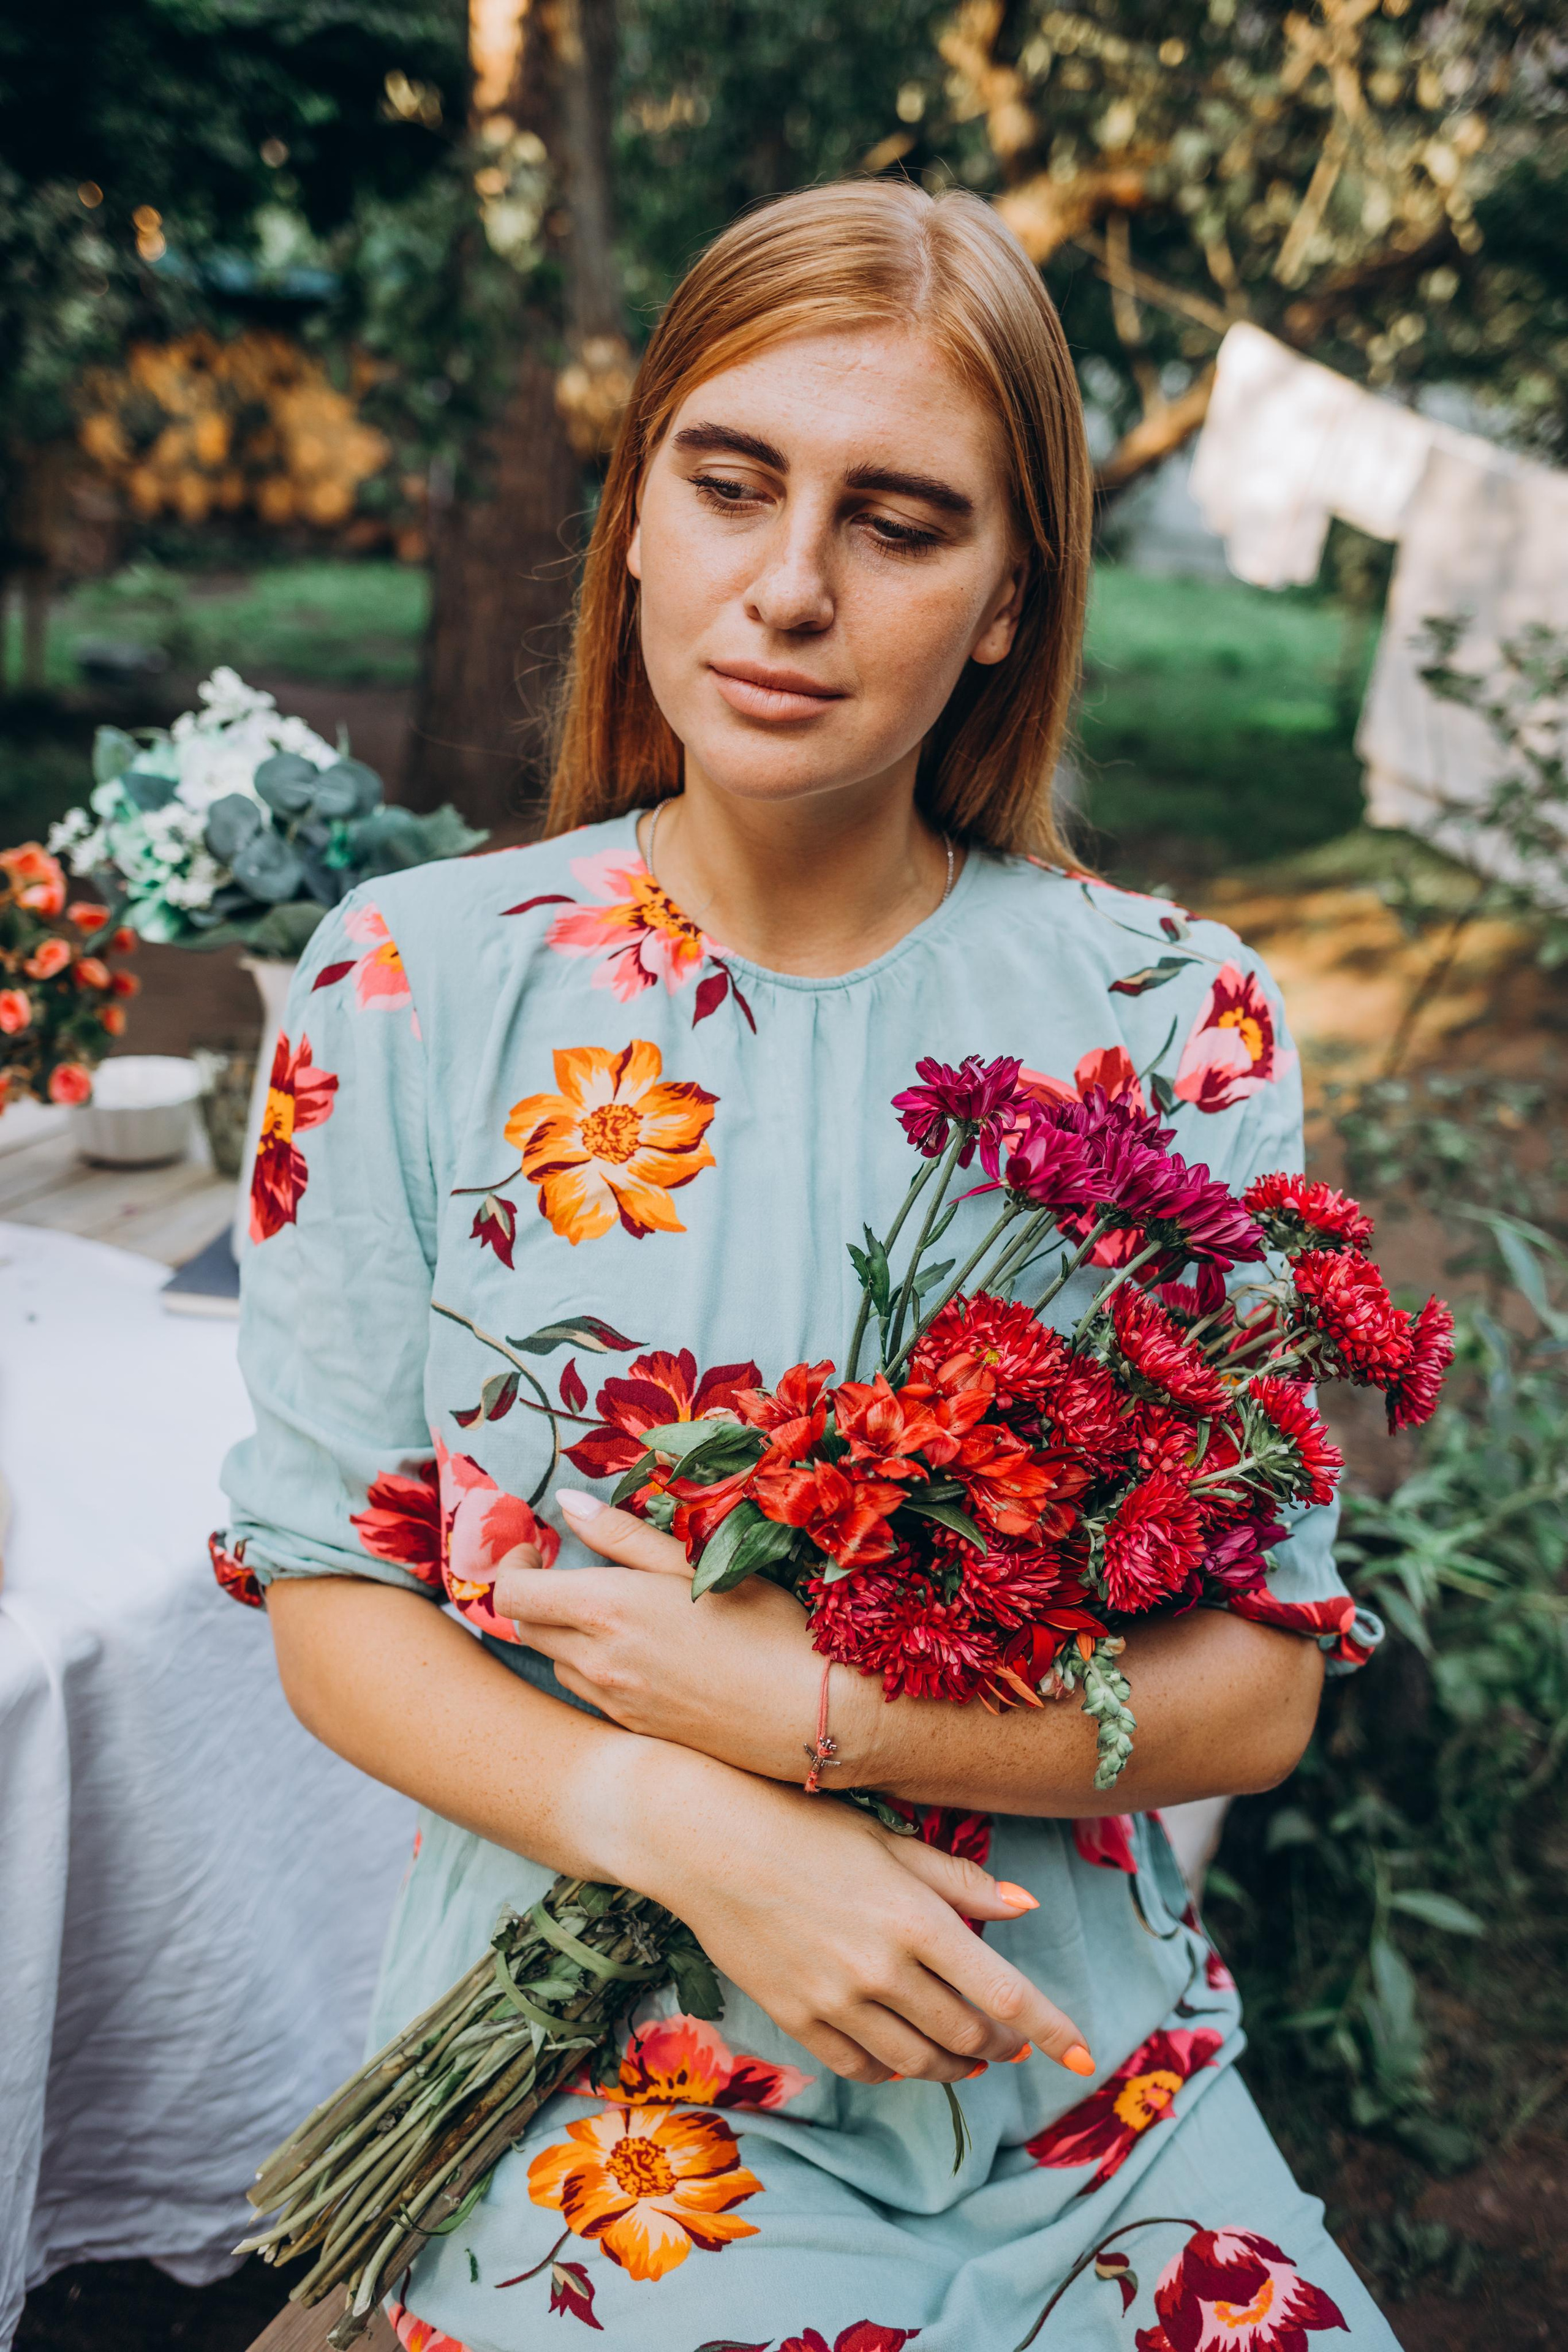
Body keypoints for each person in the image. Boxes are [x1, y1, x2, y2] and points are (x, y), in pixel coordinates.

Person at [219, 179, 1395, 2350]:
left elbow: (1264, 1679)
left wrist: (830, 1715)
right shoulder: (408, 985)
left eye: (900, 520)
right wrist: (694, 1818)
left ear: (1011, 602)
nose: (788, 588)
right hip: (596, 2084)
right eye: (731, 483)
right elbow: (331, 1600)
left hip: (1068, 2066)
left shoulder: (1168, 1022)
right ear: (637, 516)